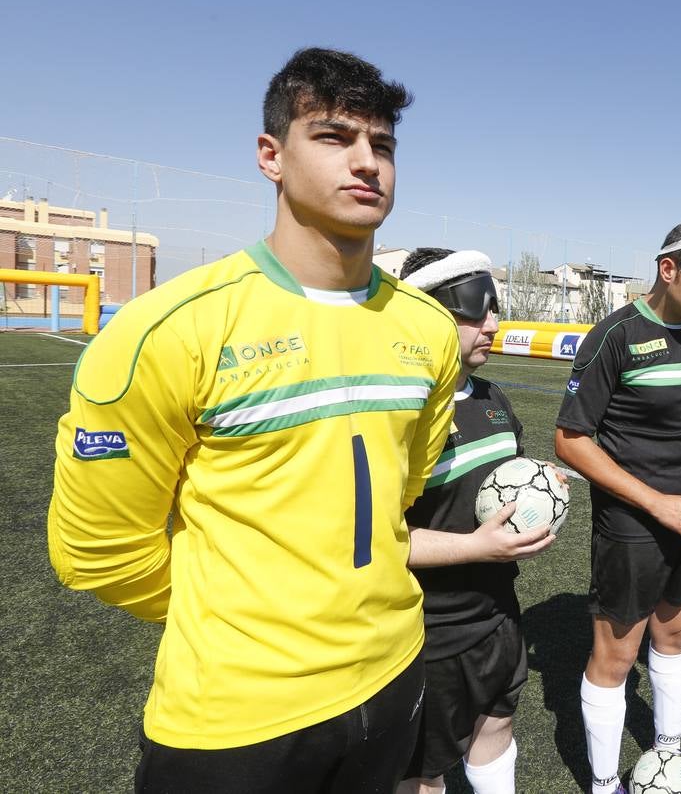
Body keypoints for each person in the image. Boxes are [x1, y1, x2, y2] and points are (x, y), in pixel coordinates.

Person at [48, 48, 461, 792]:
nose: (368, 162)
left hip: (395, 675)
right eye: (334, 137)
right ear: (271, 156)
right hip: (237, 718)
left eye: (383, 145)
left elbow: (403, 490)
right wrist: (242, 617)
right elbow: (98, 553)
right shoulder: (170, 328)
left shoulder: (428, 329)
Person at [555, 219, 681, 794]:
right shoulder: (617, 335)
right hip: (632, 523)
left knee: (676, 636)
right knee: (617, 653)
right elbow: (571, 439)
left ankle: (667, 758)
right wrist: (656, 502)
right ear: (668, 269)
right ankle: (605, 784)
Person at [398, 248, 559, 794]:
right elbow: (374, 539)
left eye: (495, 308)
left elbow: (498, 485)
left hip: (497, 614)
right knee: (422, 771)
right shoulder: (400, 411)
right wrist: (474, 548)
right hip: (426, 632)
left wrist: (541, 483)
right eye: (475, 310)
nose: (492, 324)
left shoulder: (493, 399)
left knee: (496, 725)